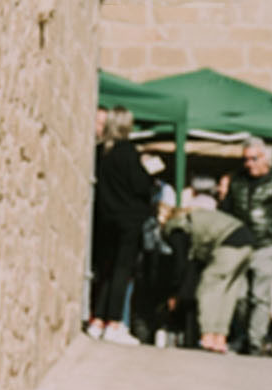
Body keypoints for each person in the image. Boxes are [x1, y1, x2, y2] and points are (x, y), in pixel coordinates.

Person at [221, 138, 272, 354]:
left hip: (267, 244)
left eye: (254, 158)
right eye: (245, 159)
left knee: (260, 296)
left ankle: (255, 340)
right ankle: (242, 334)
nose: (249, 164)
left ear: (266, 159)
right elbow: (227, 211)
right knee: (240, 296)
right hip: (240, 244)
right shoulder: (237, 180)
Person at [89, 107, 154, 347]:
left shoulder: (100, 152)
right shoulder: (128, 152)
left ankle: (97, 319)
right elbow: (140, 186)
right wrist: (149, 172)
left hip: (106, 217)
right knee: (122, 271)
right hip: (128, 220)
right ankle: (114, 322)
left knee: (106, 269)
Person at [166, 205, 257, 355]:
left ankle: (207, 335)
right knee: (228, 293)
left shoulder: (177, 227)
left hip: (229, 243)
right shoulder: (197, 217)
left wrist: (175, 289)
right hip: (247, 243)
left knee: (208, 287)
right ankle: (220, 337)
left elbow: (180, 262)